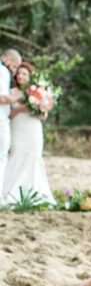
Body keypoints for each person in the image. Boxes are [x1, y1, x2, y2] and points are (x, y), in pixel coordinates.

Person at [3, 62, 56, 206]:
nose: (20, 76)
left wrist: (35, 107)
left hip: (33, 130)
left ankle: (33, 192)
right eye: (19, 73)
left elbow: (43, 116)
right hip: (17, 128)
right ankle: (11, 193)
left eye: (24, 74)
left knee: (33, 158)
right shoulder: (11, 92)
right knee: (16, 155)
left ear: (30, 77)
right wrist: (22, 109)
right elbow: (9, 114)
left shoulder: (38, 92)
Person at [0, 48, 23, 200]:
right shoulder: (2, 70)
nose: (14, 72)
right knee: (2, 156)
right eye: (14, 67)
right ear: (8, 60)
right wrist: (17, 97)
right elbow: (2, 98)